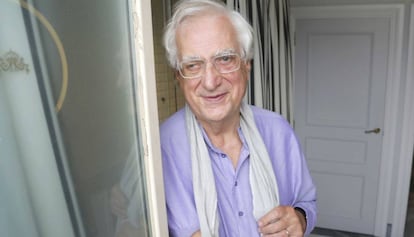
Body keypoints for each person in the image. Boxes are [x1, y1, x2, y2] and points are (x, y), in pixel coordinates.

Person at [160, 0, 317, 236]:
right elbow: (128, 220)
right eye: (193, 65)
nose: (211, 81)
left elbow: (307, 203)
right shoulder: (159, 146)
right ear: (178, 78)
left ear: (246, 65)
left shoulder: (278, 131)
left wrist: (300, 219)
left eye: (225, 59)